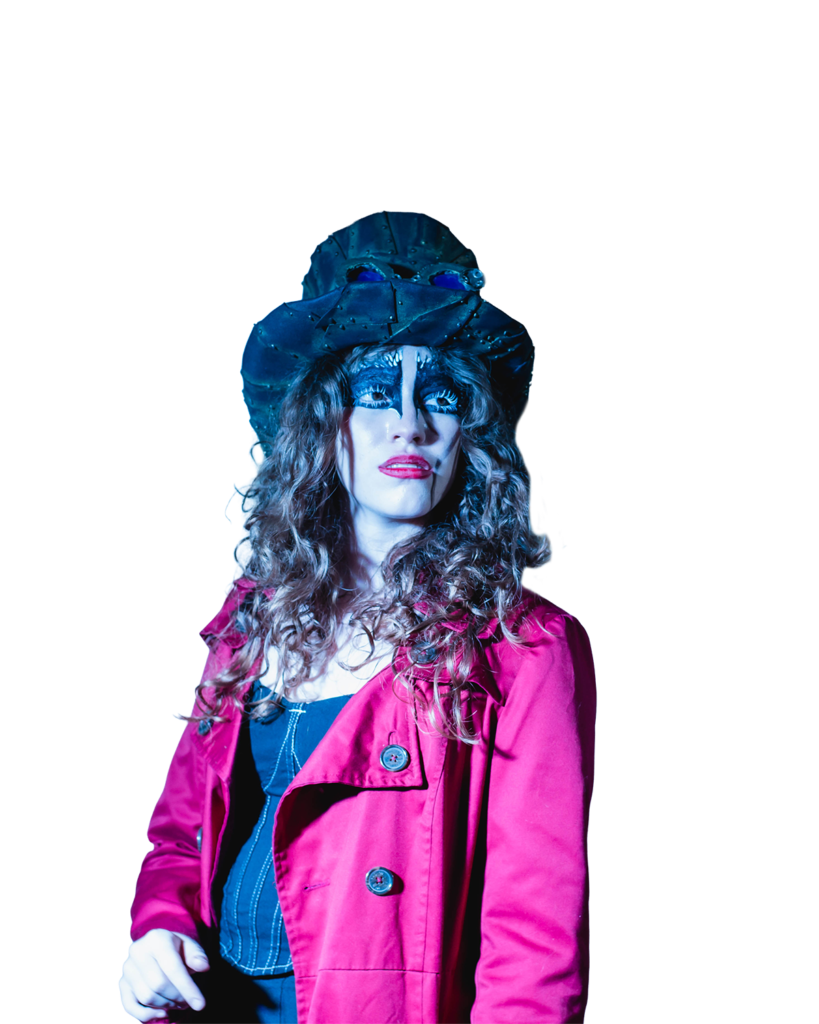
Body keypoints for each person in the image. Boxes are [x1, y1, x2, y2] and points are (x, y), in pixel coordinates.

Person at [119, 210, 596, 1023]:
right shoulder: (252, 619)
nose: (409, 423)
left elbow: (533, 944)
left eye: (440, 396)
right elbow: (178, 838)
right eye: (374, 392)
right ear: (317, 421)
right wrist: (158, 929)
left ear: (470, 433)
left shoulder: (522, 645)